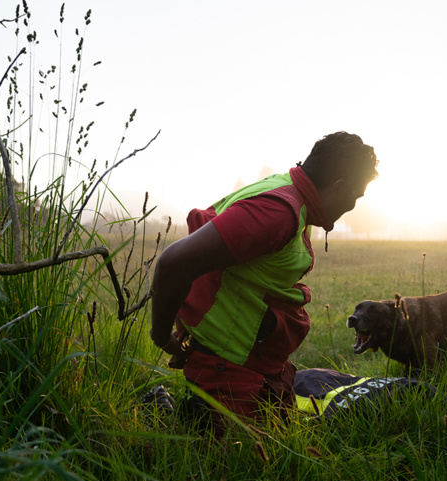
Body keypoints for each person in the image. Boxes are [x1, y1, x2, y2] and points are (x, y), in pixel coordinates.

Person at [149, 131, 378, 432]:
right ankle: (162, 410)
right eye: (355, 197)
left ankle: (187, 412)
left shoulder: (293, 199)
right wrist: (163, 338)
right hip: (227, 365)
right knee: (242, 453)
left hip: (255, 362)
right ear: (340, 188)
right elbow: (173, 263)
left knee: (285, 435)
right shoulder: (277, 213)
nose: (352, 206)